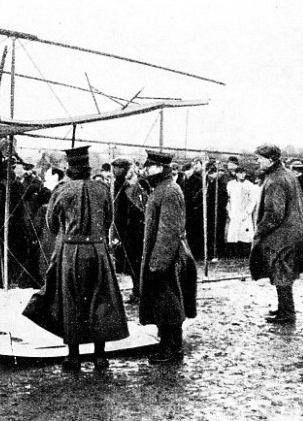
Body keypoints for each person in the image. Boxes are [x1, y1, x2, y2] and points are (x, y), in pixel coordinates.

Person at [24, 146, 129, 371]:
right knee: (100, 300)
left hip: (70, 251)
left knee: (71, 300)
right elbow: (109, 219)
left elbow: (51, 224)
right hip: (98, 250)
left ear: (70, 168)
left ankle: (73, 356)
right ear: (89, 168)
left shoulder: (62, 190)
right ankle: (100, 356)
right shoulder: (102, 189)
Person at [250, 144, 303, 325]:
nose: (257, 161)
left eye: (260, 158)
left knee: (281, 273)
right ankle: (284, 308)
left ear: (271, 160)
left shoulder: (275, 180)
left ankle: (287, 313)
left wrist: (259, 232)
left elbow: (274, 214)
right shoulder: (287, 175)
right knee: (282, 274)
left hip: (283, 236)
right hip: (293, 233)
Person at [139, 150, 197, 364]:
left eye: (150, 166)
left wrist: (158, 263)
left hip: (168, 257)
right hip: (165, 256)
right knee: (163, 304)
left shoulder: (169, 191)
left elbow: (168, 231)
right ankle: (167, 346)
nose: (146, 170)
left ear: (161, 168)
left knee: (169, 304)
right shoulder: (162, 189)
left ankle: (172, 349)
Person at [110, 157, 146, 303]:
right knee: (131, 263)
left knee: (135, 262)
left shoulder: (131, 185)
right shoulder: (119, 184)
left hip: (132, 230)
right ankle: (137, 290)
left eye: (117, 167)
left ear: (123, 169)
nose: (114, 170)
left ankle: (139, 291)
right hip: (124, 229)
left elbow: (133, 209)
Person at [225, 167, 256, 258]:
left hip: (245, 212)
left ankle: (245, 253)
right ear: (236, 174)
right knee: (233, 232)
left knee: (245, 233)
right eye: (239, 173)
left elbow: (252, 200)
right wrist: (229, 211)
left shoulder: (250, 185)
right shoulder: (231, 184)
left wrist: (247, 212)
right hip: (234, 211)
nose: (241, 175)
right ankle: (234, 253)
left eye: (243, 173)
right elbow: (229, 199)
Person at [182, 157, 205, 260]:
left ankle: (197, 254)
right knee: (190, 232)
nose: (195, 166)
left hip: (197, 210)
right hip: (188, 209)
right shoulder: (186, 179)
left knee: (197, 232)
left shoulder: (199, 180)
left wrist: (197, 206)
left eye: (197, 164)